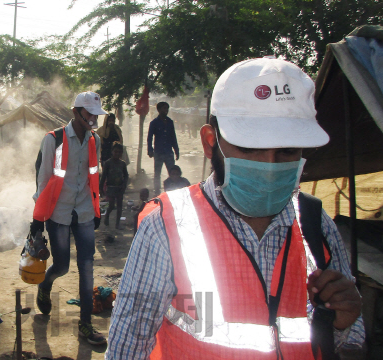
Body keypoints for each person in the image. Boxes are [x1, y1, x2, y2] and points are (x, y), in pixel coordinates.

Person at [106, 58, 364, 359]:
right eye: (249, 148)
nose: (269, 166)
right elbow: (128, 345)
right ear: (210, 142)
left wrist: (343, 322)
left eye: (288, 150)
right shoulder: (166, 226)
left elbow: (348, 342)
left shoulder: (316, 226)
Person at [31, 91, 107, 346]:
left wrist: (95, 211)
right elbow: (43, 180)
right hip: (59, 212)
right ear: (76, 112)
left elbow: (93, 177)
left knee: (86, 267)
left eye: (96, 114)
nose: (94, 119)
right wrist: (38, 220)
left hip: (84, 210)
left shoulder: (95, 140)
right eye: (89, 114)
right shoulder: (54, 139)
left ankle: (85, 324)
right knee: (61, 266)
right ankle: (45, 283)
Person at [147, 102, 180, 196]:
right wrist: (150, 149)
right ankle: (157, 192)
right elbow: (149, 137)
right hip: (158, 152)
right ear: (159, 110)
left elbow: (173, 137)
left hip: (169, 152)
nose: (166, 110)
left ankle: (172, 189)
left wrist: (176, 150)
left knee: (172, 172)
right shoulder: (154, 123)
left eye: (167, 108)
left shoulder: (170, 122)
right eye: (164, 108)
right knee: (157, 173)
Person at [99, 142, 129, 229]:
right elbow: (103, 176)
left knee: (119, 207)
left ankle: (117, 224)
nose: (117, 154)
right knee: (111, 205)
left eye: (119, 152)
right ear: (112, 152)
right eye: (116, 152)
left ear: (121, 153)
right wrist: (100, 188)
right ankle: (107, 216)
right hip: (110, 187)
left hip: (119, 188)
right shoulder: (108, 163)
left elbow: (126, 175)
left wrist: (124, 184)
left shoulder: (122, 164)